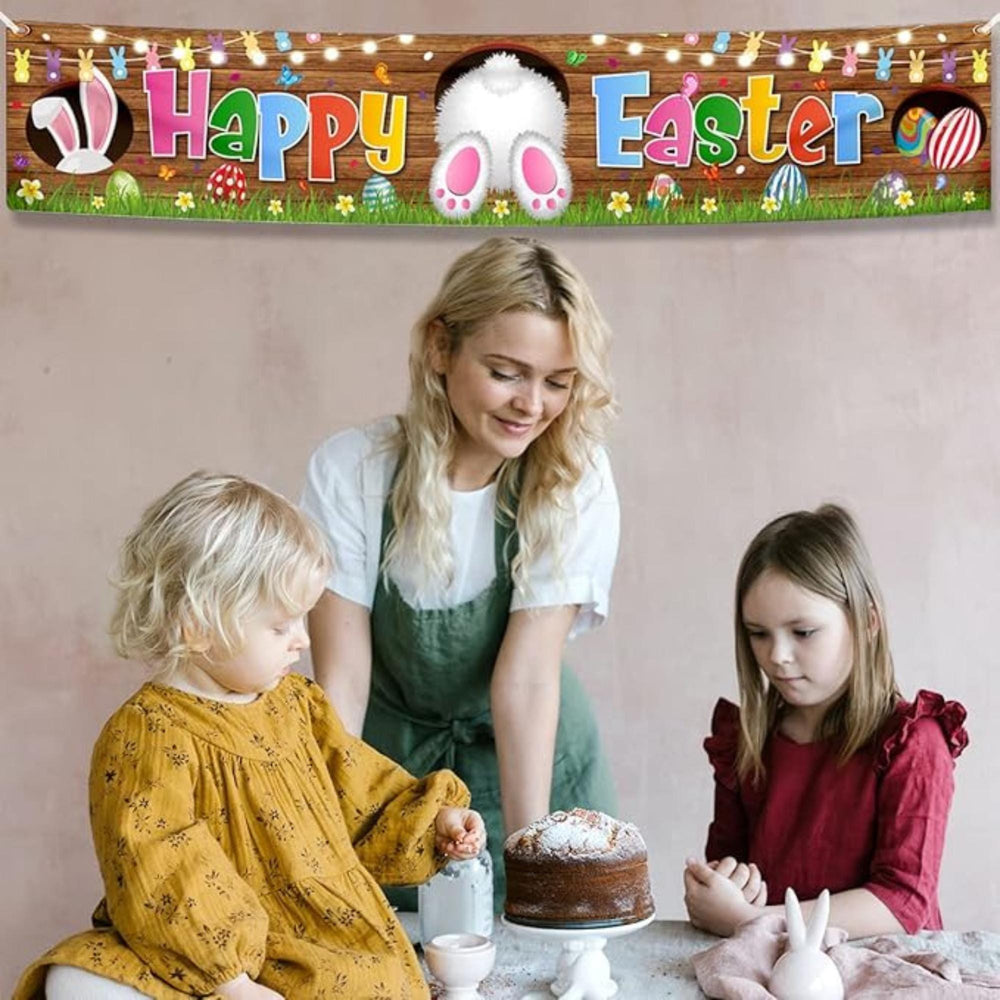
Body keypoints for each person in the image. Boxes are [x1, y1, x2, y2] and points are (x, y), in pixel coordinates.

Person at [15, 472, 484, 1000]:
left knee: (375, 982)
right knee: (73, 976)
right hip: (199, 950)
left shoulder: (297, 705)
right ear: (198, 626)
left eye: (303, 620)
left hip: (317, 937)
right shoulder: (149, 732)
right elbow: (162, 865)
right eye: (280, 626)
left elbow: (362, 787)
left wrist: (435, 821)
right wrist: (232, 982)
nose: (302, 641)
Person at [301, 236, 619, 907]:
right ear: (441, 348)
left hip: (533, 762)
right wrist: (325, 845)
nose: (532, 404)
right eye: (507, 372)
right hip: (391, 776)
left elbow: (526, 678)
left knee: (548, 939)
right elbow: (343, 682)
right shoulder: (354, 471)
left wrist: (530, 866)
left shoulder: (572, 477)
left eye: (558, 381)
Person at [683, 504, 968, 940]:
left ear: (867, 622)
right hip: (771, 965)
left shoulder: (913, 742)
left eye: (803, 632)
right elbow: (729, 867)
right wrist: (722, 886)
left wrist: (751, 920)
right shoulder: (746, 742)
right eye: (758, 633)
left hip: (881, 964)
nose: (777, 656)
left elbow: (902, 903)